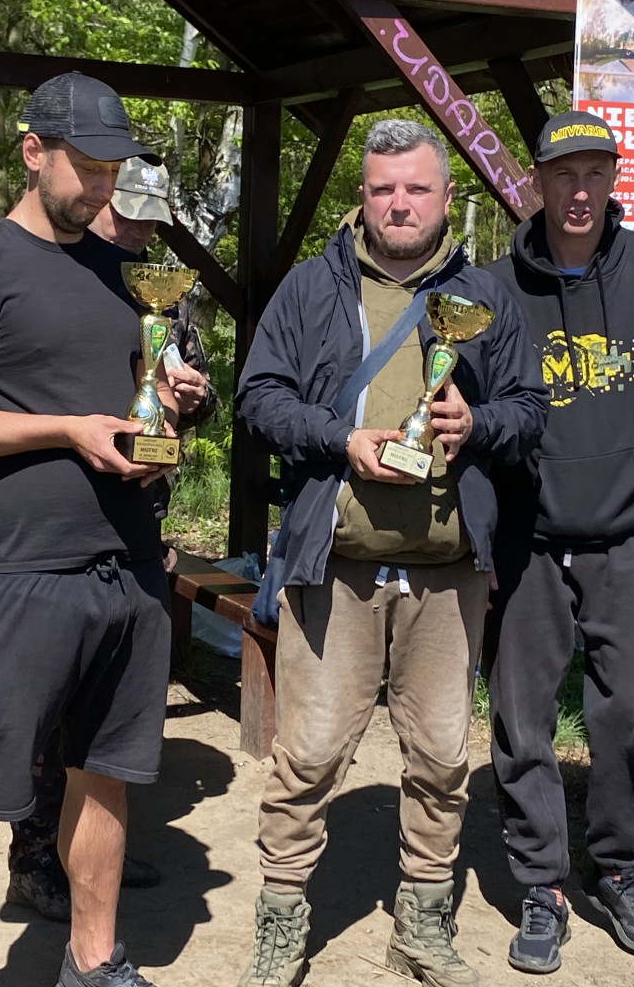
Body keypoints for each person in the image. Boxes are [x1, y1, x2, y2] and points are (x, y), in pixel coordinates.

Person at [233, 119, 549, 987]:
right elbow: (258, 398)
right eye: (383, 189)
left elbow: (531, 410)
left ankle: (422, 926)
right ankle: (281, 928)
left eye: (416, 188)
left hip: (448, 576)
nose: (399, 204)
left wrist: (476, 423)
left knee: (443, 758)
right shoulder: (311, 288)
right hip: (336, 567)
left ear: (447, 196)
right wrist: (339, 440)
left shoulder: (486, 296)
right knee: (307, 756)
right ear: (363, 197)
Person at [0, 72, 175, 987]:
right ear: (33, 152)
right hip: (24, 574)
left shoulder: (121, 273)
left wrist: (170, 405)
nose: (102, 186)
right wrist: (66, 430)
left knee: (104, 775)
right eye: (86, 167)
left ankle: (93, 964)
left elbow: (132, 404)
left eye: (113, 170)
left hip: (130, 567)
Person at [481, 111, 634, 973]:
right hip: (527, 539)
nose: (579, 191)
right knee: (521, 719)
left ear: (615, 179)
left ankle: (621, 866)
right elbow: (468, 413)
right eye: (563, 174)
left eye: (595, 173)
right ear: (537, 183)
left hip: (633, 534)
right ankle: (542, 885)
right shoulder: (494, 287)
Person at [6, 156, 216, 921]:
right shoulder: (52, 277)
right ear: (95, 199)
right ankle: (34, 861)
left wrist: (191, 397)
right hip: (57, 525)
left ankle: (92, 857)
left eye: (150, 219)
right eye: (125, 213)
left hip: (138, 527)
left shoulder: (166, 294)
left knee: (111, 716)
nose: (135, 230)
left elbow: (198, 399)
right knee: (48, 708)